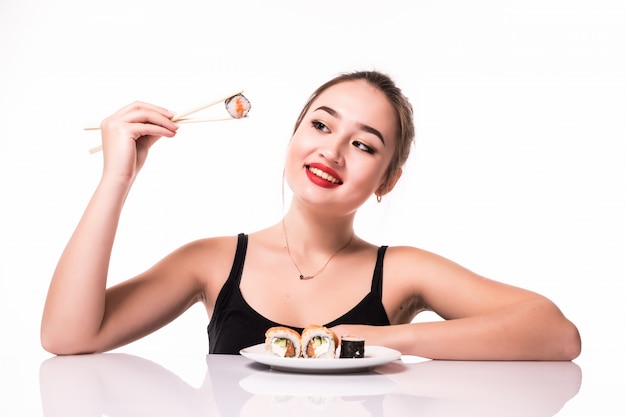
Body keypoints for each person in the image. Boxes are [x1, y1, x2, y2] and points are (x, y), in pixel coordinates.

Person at [41, 70, 581, 360]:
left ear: (387, 180)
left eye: (364, 145)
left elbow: (556, 335)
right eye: (321, 126)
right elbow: (68, 337)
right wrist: (118, 178)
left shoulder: (404, 271)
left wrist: (383, 340)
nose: (332, 151)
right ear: (295, 137)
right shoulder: (211, 260)